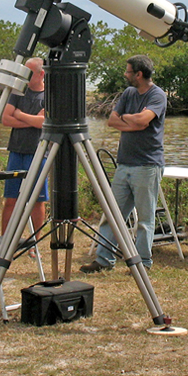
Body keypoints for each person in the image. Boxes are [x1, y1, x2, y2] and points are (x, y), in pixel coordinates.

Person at [80, 54, 166, 273]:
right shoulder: (128, 93)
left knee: (145, 220)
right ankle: (103, 260)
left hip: (147, 165)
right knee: (113, 214)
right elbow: (112, 121)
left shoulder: (158, 95)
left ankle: (143, 263)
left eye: (128, 71)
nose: (125, 75)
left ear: (138, 74)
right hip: (124, 164)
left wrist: (131, 119)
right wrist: (135, 122)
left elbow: (142, 120)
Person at [0, 57, 47, 237]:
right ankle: (5, 240)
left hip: (38, 153)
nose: (25, 78)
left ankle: (33, 243)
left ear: (41, 74)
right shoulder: (17, 92)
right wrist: (31, 120)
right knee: (11, 199)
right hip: (16, 151)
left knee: (37, 200)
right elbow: (6, 119)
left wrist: (19, 115)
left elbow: (43, 122)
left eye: (29, 73)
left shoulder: (49, 95)